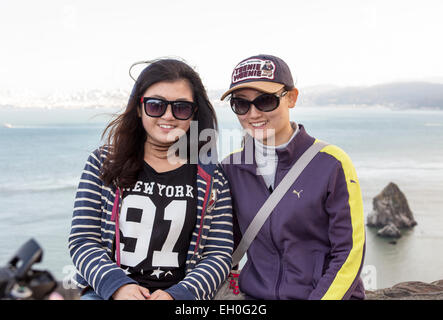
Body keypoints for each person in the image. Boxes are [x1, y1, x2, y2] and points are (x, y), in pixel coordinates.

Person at [68, 58, 233, 300]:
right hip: (107, 294)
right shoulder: (103, 162)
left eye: (181, 107)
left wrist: (177, 295)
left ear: (193, 113)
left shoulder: (212, 177)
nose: (168, 116)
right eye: (156, 105)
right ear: (138, 107)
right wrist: (118, 287)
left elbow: (218, 254)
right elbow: (83, 240)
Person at [220, 54, 366, 300]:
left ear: (291, 98)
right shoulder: (231, 168)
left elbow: (349, 252)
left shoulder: (332, 163)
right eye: (241, 104)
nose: (253, 114)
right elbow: (224, 246)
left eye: (265, 101)